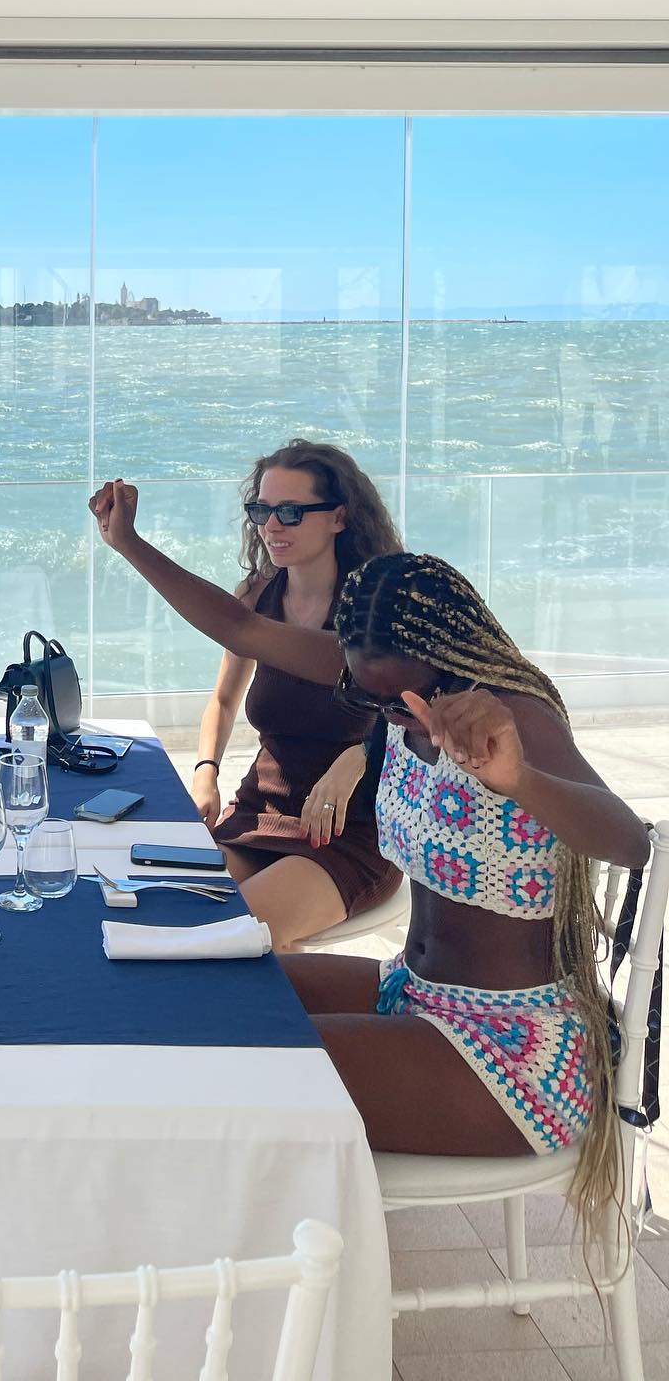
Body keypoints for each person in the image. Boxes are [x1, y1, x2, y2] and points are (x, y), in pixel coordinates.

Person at [90, 480, 648, 1241]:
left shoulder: (514, 720)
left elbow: (628, 840)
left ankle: (259, 1275)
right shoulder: (380, 676)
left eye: (396, 700)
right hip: (411, 994)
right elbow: (240, 627)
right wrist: (127, 543)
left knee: (240, 1063)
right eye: (365, 696)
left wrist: (518, 779)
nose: (382, 713)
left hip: (509, 1052)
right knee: (198, 988)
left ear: (448, 661)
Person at [186, 440, 402, 947]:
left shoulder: (380, 609)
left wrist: (359, 757)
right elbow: (223, 701)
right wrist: (205, 774)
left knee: (240, 938)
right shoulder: (256, 598)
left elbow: (425, 714)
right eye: (262, 510)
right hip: (258, 813)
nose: (271, 527)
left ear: (339, 517)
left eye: (290, 512)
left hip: (349, 830)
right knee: (176, 913)